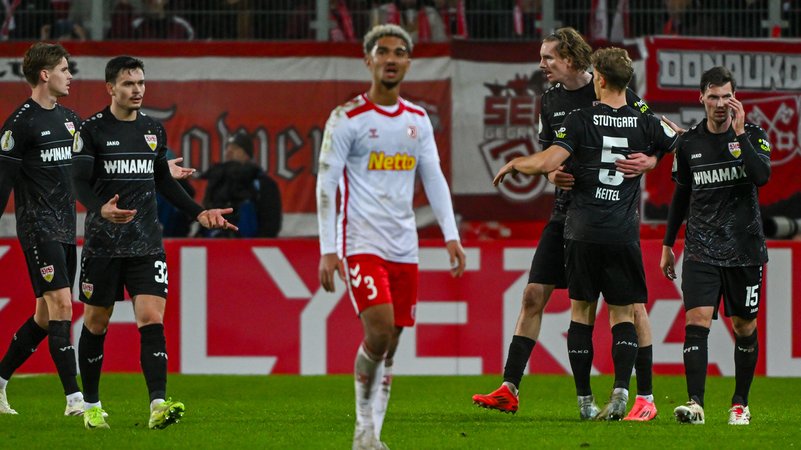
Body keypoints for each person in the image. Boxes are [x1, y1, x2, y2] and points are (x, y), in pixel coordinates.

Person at [473, 27, 662, 422]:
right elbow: (549, 155)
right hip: (566, 213)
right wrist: (549, 174)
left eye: (548, 58)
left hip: (608, 214)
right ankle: (509, 388)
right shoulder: (551, 100)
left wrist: (651, 161)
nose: (541, 64)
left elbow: (655, 134)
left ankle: (644, 395)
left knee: (631, 306)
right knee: (532, 295)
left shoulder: (614, 89)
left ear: (572, 59)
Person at [316, 24, 466, 449]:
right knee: (379, 331)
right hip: (361, 241)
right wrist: (328, 249)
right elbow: (326, 183)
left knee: (393, 341)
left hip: (404, 245)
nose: (391, 59)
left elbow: (433, 177)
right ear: (369, 61)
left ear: (408, 63)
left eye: (400, 52)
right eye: (383, 52)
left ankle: (373, 437)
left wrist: (451, 235)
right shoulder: (346, 118)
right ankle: (362, 427)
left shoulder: (417, 120)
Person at [71, 55, 234, 430]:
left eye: (141, 83)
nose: (137, 90)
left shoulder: (152, 130)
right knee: (96, 322)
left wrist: (199, 213)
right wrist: (99, 208)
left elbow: (162, 179)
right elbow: (77, 180)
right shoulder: (91, 130)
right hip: (103, 245)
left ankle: (158, 404)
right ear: (110, 88)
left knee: (151, 318)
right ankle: (92, 405)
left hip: (146, 242)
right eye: (128, 84)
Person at [660, 66, 771, 426]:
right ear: (702, 98)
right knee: (696, 322)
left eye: (727, 96)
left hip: (744, 250)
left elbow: (762, 177)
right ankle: (695, 404)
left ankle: (740, 403)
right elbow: (681, 195)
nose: (721, 104)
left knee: (744, 328)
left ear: (735, 98)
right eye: (714, 97)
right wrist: (667, 243)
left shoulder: (754, 134)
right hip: (701, 249)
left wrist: (739, 135)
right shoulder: (689, 143)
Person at [0, 42, 85, 417]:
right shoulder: (20, 124)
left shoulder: (70, 119)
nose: (70, 76)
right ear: (45, 74)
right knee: (63, 305)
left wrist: (160, 168)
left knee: (45, 317)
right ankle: (75, 401)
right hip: (37, 227)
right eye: (64, 69)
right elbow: (2, 184)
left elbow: (95, 162)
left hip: (66, 227)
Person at [199, 131, 282, 238]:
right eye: (227, 148)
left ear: (247, 154)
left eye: (235, 148)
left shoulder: (262, 183)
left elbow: (271, 221)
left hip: (249, 243)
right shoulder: (217, 180)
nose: (229, 151)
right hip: (216, 241)